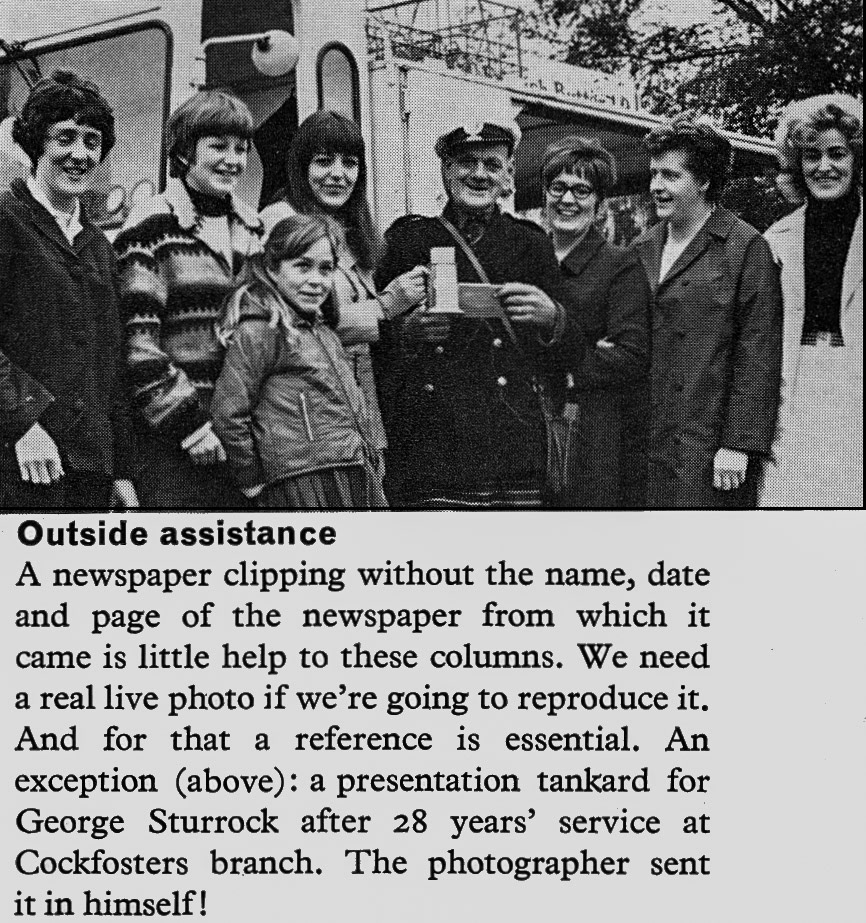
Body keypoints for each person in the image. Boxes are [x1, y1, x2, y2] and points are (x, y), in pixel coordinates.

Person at [374, 109, 575, 509]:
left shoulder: (531, 243)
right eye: (467, 162)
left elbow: (567, 354)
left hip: (511, 442)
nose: (479, 174)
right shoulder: (408, 239)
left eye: (491, 164)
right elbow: (371, 348)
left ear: (508, 174)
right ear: (445, 170)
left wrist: (553, 319)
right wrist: (405, 334)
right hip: (432, 448)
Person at [260, 110, 427, 496]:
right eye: (323, 161)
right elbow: (291, 326)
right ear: (300, 168)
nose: (338, 174)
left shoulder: (358, 235)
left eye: (350, 163)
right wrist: (387, 306)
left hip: (360, 421)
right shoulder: (280, 221)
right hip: (306, 425)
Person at [114, 90, 263, 508]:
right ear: (184, 153)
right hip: (177, 449)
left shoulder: (256, 233)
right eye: (218, 146)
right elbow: (138, 346)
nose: (232, 160)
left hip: (247, 443)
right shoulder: (150, 231)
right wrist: (191, 426)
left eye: (241, 148)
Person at [0, 71, 137, 509]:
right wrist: (22, 423)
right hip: (18, 465)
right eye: (65, 138)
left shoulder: (100, 248)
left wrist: (121, 470)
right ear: (37, 144)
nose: (80, 154)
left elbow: (110, 363)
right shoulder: (6, 220)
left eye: (92, 141)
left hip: (90, 473)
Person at [633, 117, 783, 509]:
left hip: (707, 448)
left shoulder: (746, 247)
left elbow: (759, 352)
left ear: (703, 181)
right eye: (653, 174)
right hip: (645, 437)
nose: (656, 187)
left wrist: (739, 443)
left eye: (670, 175)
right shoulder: (643, 246)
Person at [211, 214, 385, 509]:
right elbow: (229, 413)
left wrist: (370, 452)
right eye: (303, 266)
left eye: (326, 269)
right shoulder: (262, 330)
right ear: (272, 269)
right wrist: (251, 479)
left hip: (351, 466)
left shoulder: (324, 331)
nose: (316, 281)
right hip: (301, 478)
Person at [759, 95, 862, 508]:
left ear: (856, 159)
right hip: (797, 387)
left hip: (855, 383)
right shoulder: (774, 239)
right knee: (789, 503)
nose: (824, 167)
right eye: (810, 155)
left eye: (837, 153)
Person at [541, 136, 650, 508]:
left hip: (588, 429)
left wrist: (566, 368)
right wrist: (590, 350)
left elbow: (632, 356)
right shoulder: (527, 254)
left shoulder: (618, 265)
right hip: (525, 423)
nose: (567, 200)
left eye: (581, 190)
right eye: (558, 187)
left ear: (599, 204)